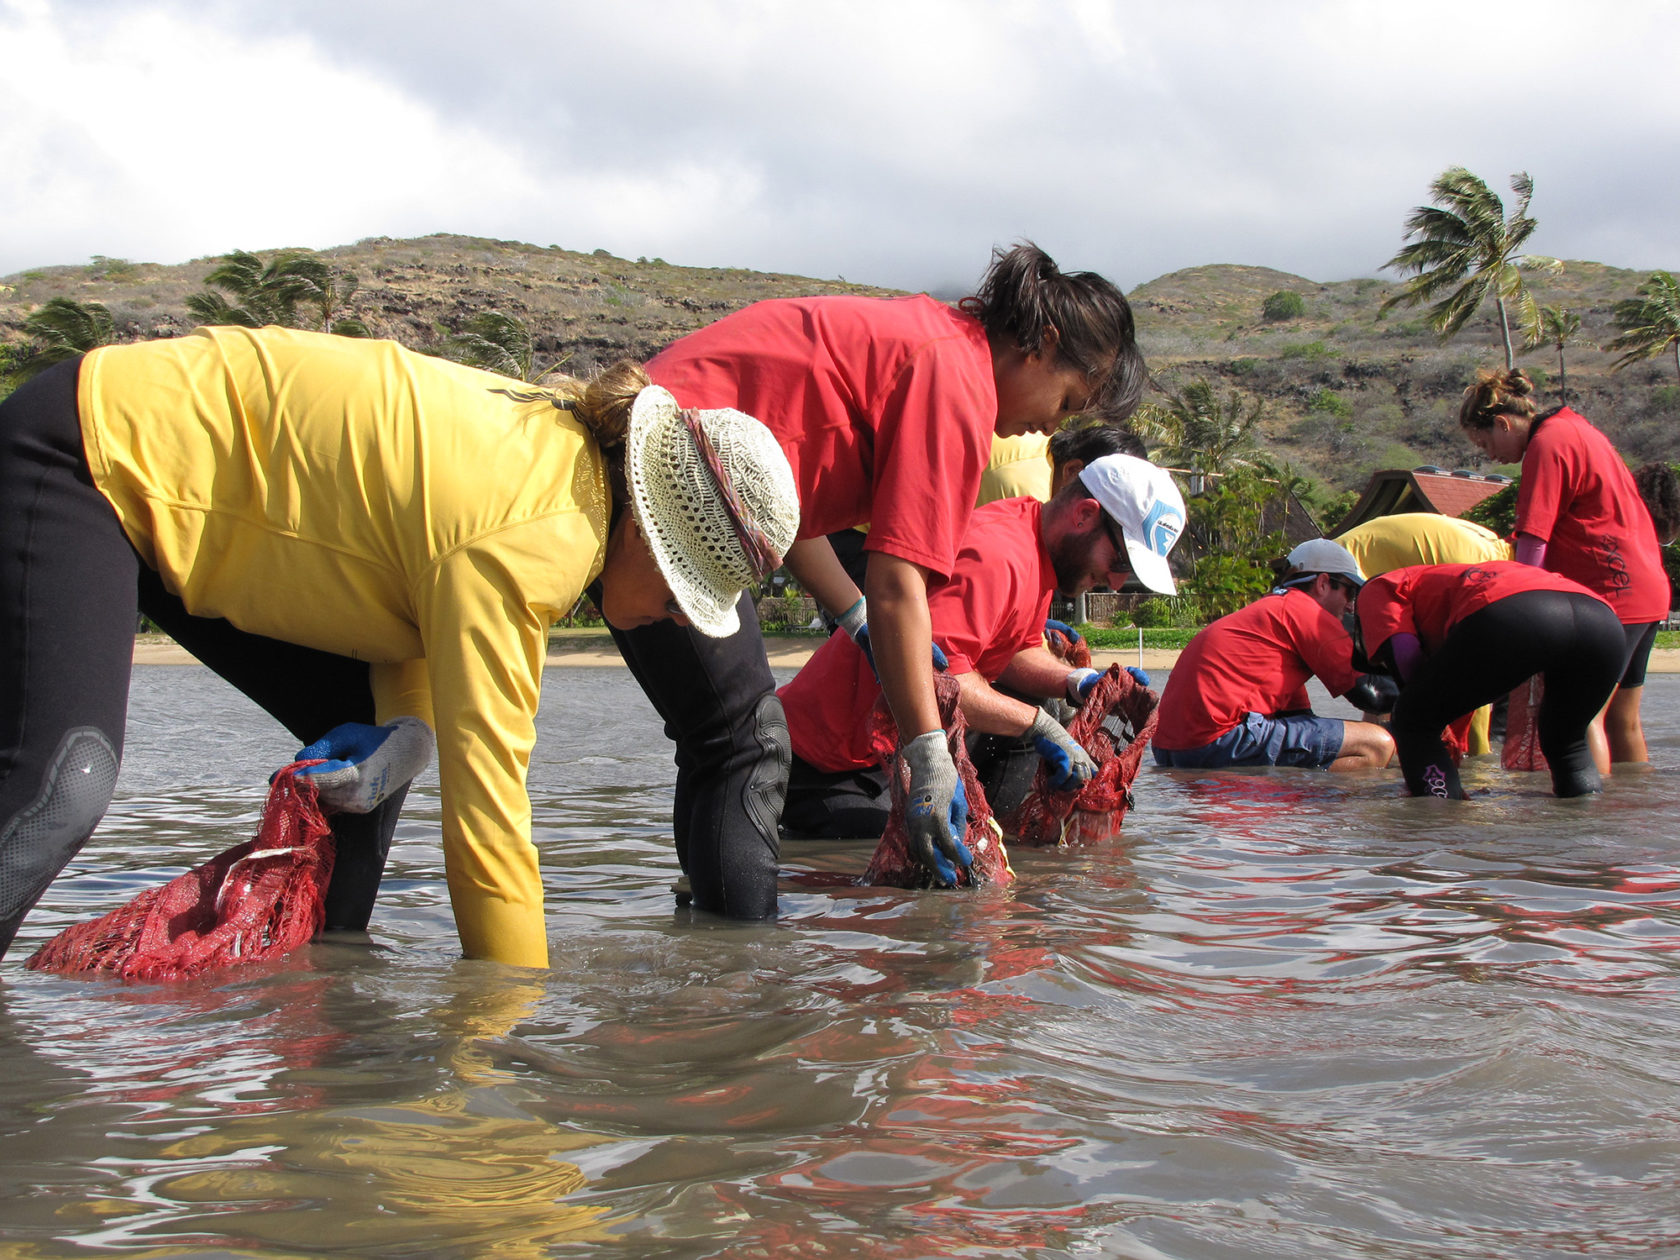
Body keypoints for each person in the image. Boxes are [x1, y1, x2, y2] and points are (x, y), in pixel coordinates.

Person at [0, 326, 799, 968]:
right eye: (682, 595)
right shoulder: (541, 534)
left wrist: (410, 732)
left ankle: (327, 1004)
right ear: (642, 531)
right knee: (64, 784)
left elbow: (403, 604)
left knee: (372, 762)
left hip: (181, 506)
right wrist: (511, 1031)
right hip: (83, 453)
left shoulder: (563, 468)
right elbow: (489, 822)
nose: (685, 624)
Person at [630, 242, 1147, 896]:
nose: (1049, 427)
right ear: (1040, 344)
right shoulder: (957, 377)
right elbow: (898, 579)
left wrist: (853, 616)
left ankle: (715, 953)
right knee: (743, 744)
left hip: (680, 463)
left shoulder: (938, 343)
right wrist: (930, 753)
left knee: (727, 742)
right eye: (1067, 401)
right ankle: (735, 969)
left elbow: (791, 510)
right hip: (671, 471)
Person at [778, 455, 1184, 837]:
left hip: (889, 751)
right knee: (902, 854)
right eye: (1121, 564)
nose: (1116, 583)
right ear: (1084, 515)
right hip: (823, 764)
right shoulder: (1000, 556)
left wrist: (1074, 680)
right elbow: (937, 677)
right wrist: (1041, 725)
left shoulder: (1034, 544)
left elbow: (1012, 651)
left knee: (1024, 723)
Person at [1459, 370, 1668, 766]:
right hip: (1647, 587)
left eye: (1485, 442)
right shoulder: (1577, 428)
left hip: (1610, 593)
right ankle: (1632, 816)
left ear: (1503, 423)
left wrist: (1515, 606)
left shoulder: (1547, 443)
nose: (1489, 455)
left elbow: (1534, 538)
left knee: (1579, 717)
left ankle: (1583, 822)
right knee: (1623, 721)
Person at [1356, 562, 1624, 798]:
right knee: (1567, 742)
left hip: (1519, 612)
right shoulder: (1446, 579)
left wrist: (1420, 715)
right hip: (1602, 620)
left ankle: (1435, 820)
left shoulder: (1380, 585)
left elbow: (1405, 657)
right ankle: (1587, 831)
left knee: (1414, 719)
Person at [1152, 539, 1397, 771]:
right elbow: (1372, 696)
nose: (1351, 606)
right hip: (1214, 742)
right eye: (1350, 592)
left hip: (1170, 749)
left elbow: (1297, 718)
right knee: (1376, 744)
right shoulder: (1308, 613)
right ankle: (1305, 801)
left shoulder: (1272, 614)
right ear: (1323, 583)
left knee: (1355, 740)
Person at [1334, 512, 1511, 753]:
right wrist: (1480, 757)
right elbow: (1474, 669)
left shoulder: (1491, 546)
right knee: (1388, 682)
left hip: (1369, 564)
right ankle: (1386, 752)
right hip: (1349, 570)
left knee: (1395, 675)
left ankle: (1381, 755)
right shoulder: (1480, 566)